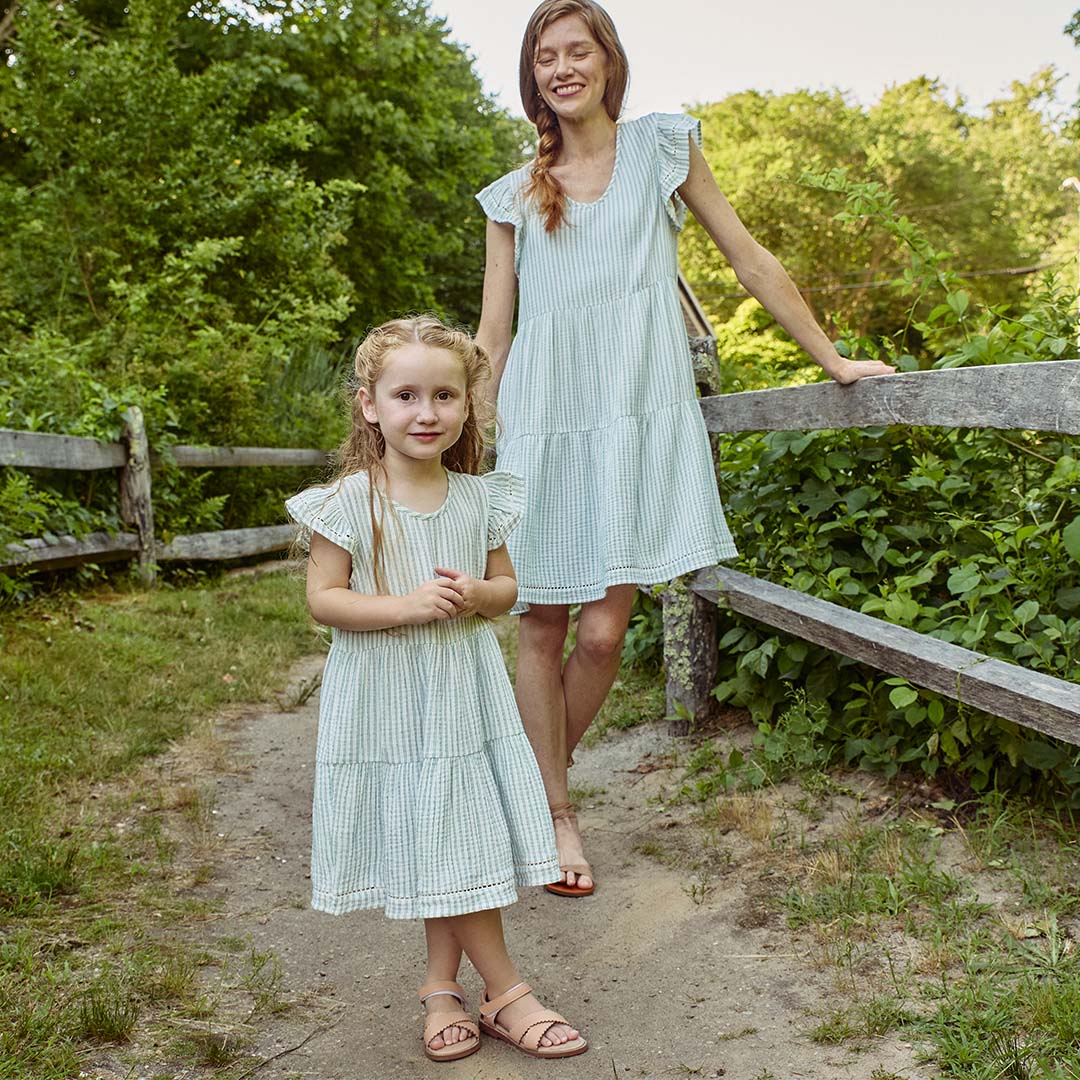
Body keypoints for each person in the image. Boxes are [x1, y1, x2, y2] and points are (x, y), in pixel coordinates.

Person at [475, 0, 895, 899]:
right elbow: (493, 338)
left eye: (576, 51)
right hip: (542, 425)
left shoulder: (665, 147)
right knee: (542, 626)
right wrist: (463, 453)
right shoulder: (514, 195)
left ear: (607, 61)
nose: (561, 68)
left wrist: (829, 358)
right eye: (544, 56)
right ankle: (555, 814)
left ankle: (525, 779)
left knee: (602, 634)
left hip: (635, 421)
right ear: (532, 77)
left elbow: (748, 258)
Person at [285, 316, 588, 1061]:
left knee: (451, 830)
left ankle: (441, 989)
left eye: (445, 395)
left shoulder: (479, 497)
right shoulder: (351, 501)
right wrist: (404, 607)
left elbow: (509, 585)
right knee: (438, 832)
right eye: (407, 395)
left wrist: (484, 596)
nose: (427, 413)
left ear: (467, 407)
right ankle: (507, 991)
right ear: (369, 404)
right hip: (387, 697)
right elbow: (324, 599)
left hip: (462, 691)